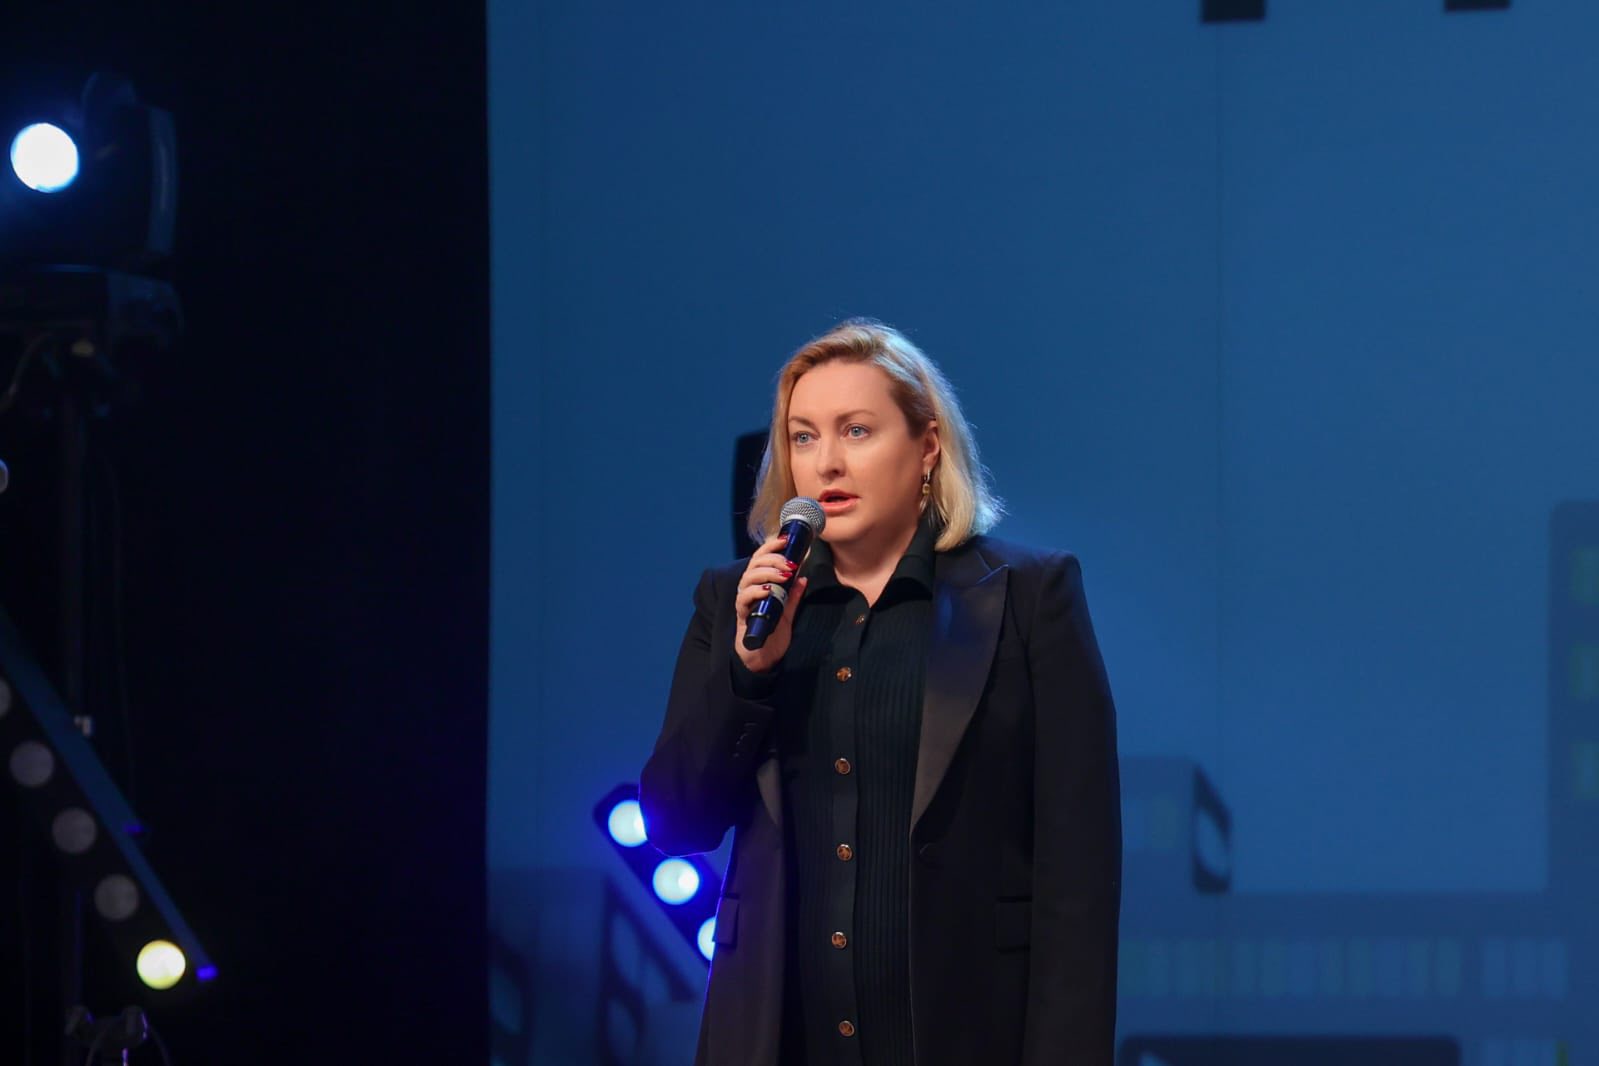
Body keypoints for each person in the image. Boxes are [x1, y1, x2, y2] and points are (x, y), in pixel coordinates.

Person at [640, 320, 1121, 1066]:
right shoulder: (736, 603)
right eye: (803, 437)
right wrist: (747, 671)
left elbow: (1078, 880)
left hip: (967, 1036)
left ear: (927, 447)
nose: (826, 462)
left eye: (856, 431)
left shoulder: (1029, 598)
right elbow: (676, 824)